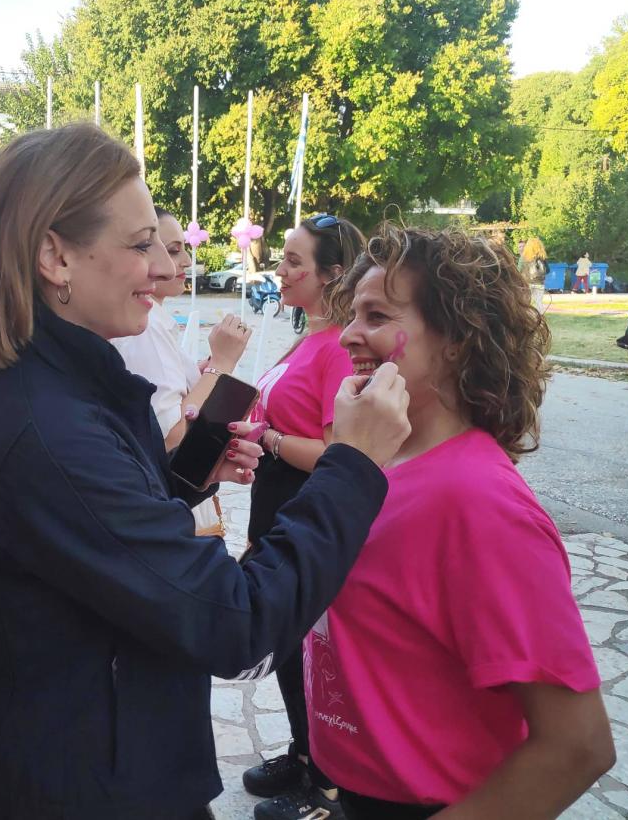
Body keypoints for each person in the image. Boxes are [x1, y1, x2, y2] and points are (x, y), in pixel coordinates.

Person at [0, 123, 412, 820]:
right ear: (55, 257)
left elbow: (99, 542)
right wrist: (353, 466)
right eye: (140, 246)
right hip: (83, 790)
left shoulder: (63, 384)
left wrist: (189, 475)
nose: (163, 269)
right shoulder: (49, 427)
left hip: (97, 761)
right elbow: (237, 622)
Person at [291, 225, 613, 819]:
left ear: (458, 340)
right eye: (352, 314)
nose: (350, 335)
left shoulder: (481, 503)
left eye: (376, 315)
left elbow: (578, 744)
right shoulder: (372, 464)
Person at [239, 214, 366, 820]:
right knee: (289, 646)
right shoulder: (308, 338)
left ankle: (326, 785)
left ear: (331, 274)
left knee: (309, 649)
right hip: (277, 509)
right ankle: (304, 751)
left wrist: (268, 439)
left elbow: (339, 453)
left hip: (304, 510)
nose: (281, 270)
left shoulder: (337, 347)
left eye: (294, 261)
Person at [112, 207, 252, 534]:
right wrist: (221, 365)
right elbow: (170, 436)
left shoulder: (154, 323)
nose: (184, 262)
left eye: (179, 250)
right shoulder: (146, 327)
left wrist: (201, 375)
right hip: (181, 512)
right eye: (173, 250)